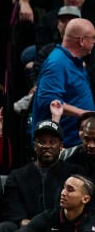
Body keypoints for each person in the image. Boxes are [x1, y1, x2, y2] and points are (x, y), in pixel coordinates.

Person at [0, 119, 84, 232]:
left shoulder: (74, 173)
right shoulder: (18, 175)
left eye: (52, 142)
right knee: (3, 228)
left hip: (60, 228)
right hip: (27, 228)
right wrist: (24, 221)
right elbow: (10, 206)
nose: (47, 146)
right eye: (42, 142)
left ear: (61, 146)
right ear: (34, 146)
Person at [31, 18, 95, 148]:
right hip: (64, 146)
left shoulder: (74, 61)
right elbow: (48, 101)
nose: (94, 41)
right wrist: (84, 114)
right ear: (82, 41)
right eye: (92, 38)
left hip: (77, 141)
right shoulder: (57, 63)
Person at [4, 175, 95, 232]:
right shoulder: (49, 215)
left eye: (70, 190)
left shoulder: (91, 219)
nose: (63, 193)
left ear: (85, 199)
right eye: (64, 187)